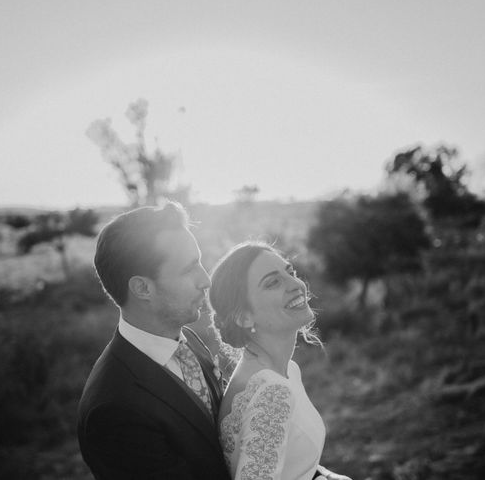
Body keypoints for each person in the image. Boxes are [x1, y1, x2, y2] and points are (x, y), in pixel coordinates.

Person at [77, 202, 231, 480]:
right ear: (142, 288)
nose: (206, 280)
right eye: (189, 269)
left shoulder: (187, 342)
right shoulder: (114, 410)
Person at [209, 242, 352, 480]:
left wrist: (324, 476)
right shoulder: (272, 393)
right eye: (273, 282)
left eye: (290, 272)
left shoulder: (283, 371)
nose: (296, 284)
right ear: (243, 317)